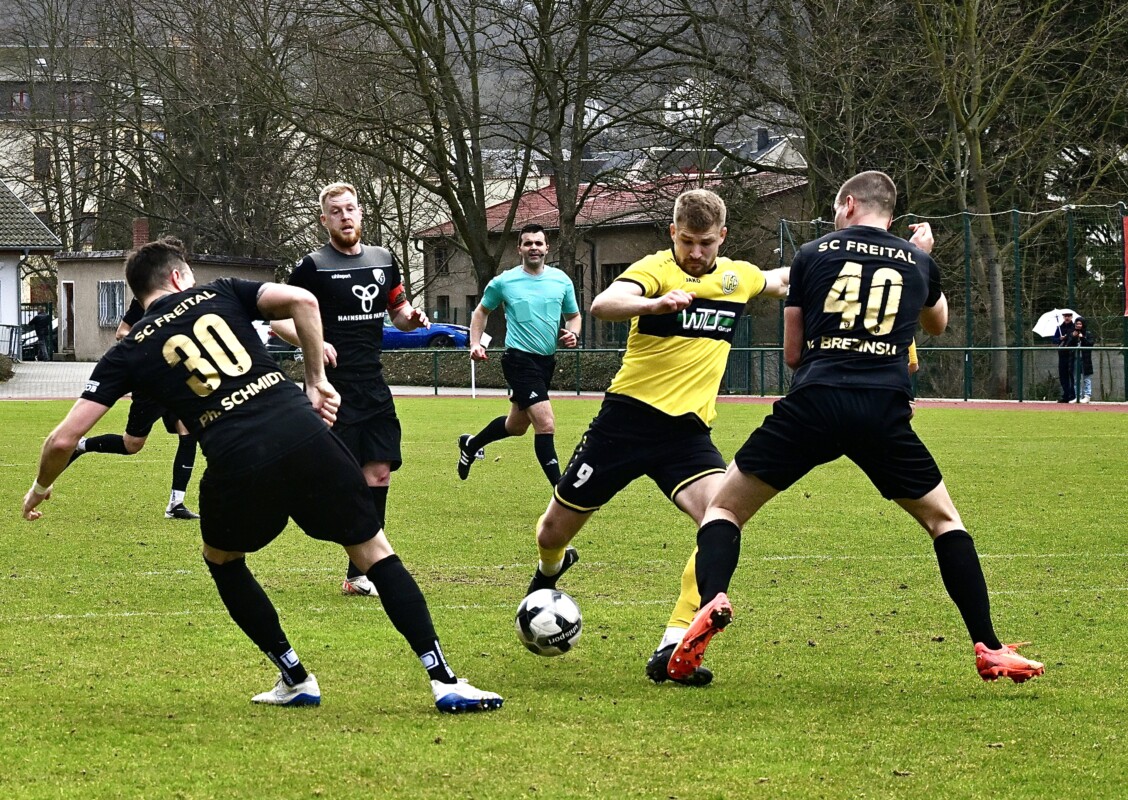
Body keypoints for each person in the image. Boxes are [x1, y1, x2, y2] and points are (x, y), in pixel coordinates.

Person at [22, 236, 502, 713]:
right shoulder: (221, 291)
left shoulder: (127, 350)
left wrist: (42, 486)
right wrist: (317, 381)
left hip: (237, 459)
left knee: (223, 561)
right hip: (304, 431)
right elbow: (303, 300)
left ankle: (294, 676)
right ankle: (444, 680)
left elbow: (63, 440)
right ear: (178, 276)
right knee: (375, 552)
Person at [671, 171, 1045, 686]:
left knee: (725, 508)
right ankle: (989, 646)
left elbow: (792, 354)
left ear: (848, 204)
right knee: (944, 522)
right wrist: (924, 259)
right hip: (882, 410)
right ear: (890, 213)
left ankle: (711, 600)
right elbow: (936, 325)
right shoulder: (918, 260)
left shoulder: (811, 254)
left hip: (815, 402)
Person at [521, 188, 789, 685]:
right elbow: (605, 303)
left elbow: (782, 280)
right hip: (623, 424)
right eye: (687, 241)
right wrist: (656, 302)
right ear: (673, 234)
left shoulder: (737, 277)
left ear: (721, 238)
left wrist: (858, 249)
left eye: (705, 242)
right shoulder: (656, 269)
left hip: (686, 435)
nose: (695, 252)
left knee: (720, 519)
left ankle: (675, 644)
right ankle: (550, 570)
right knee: (552, 532)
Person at [272, 182, 431, 598]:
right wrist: (313, 341)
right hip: (333, 388)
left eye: (351, 209)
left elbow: (396, 312)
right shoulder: (312, 267)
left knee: (378, 474)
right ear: (324, 220)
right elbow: (275, 320)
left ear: (361, 214)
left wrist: (412, 318)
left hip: (373, 385)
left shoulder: (383, 260)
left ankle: (359, 573)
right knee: (342, 479)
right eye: (336, 211)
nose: (345, 216)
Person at [456, 223, 582, 486]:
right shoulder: (504, 281)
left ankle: (471, 444)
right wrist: (475, 343)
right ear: (519, 249)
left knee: (516, 426)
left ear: (547, 247)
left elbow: (574, 316)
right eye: (528, 243)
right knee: (545, 424)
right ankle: (561, 492)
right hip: (518, 359)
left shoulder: (561, 280)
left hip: (546, 361)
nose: (533, 248)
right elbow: (481, 312)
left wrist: (574, 333)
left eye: (538, 243)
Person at [68, 297, 201, 520]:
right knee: (132, 445)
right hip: (150, 382)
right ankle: (81, 445)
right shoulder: (144, 300)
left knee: (188, 432)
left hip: (175, 379)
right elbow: (121, 332)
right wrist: (151, 345)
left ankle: (176, 503)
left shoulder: (185, 300)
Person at [1064, 317, 1094, 403]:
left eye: (1080, 324)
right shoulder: (1072, 333)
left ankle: (1087, 396)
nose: (1078, 325)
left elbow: (1090, 344)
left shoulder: (1088, 333)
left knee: (1086, 378)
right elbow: (1067, 345)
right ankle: (1077, 396)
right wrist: (1073, 337)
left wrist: (1083, 338)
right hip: (1075, 359)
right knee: (1076, 379)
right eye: (1077, 324)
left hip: (1085, 359)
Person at [1053, 311, 1077, 402]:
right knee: (1063, 375)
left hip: (1072, 354)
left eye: (1069, 316)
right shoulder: (1059, 328)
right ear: (1063, 317)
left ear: (1071, 317)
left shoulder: (1074, 328)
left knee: (1072, 375)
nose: (1067, 317)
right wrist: (1060, 338)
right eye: (1065, 316)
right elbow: (1054, 340)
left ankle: (1073, 395)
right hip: (1062, 354)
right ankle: (1066, 395)